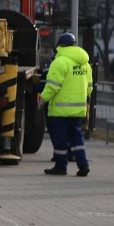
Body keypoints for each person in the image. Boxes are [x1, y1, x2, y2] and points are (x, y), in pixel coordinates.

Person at [41, 32, 92, 177]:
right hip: (78, 110)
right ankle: (83, 165)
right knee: (77, 138)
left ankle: (60, 166)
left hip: (60, 110)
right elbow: (89, 88)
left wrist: (42, 100)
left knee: (60, 139)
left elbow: (52, 86)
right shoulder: (85, 64)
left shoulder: (60, 62)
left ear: (60, 45)